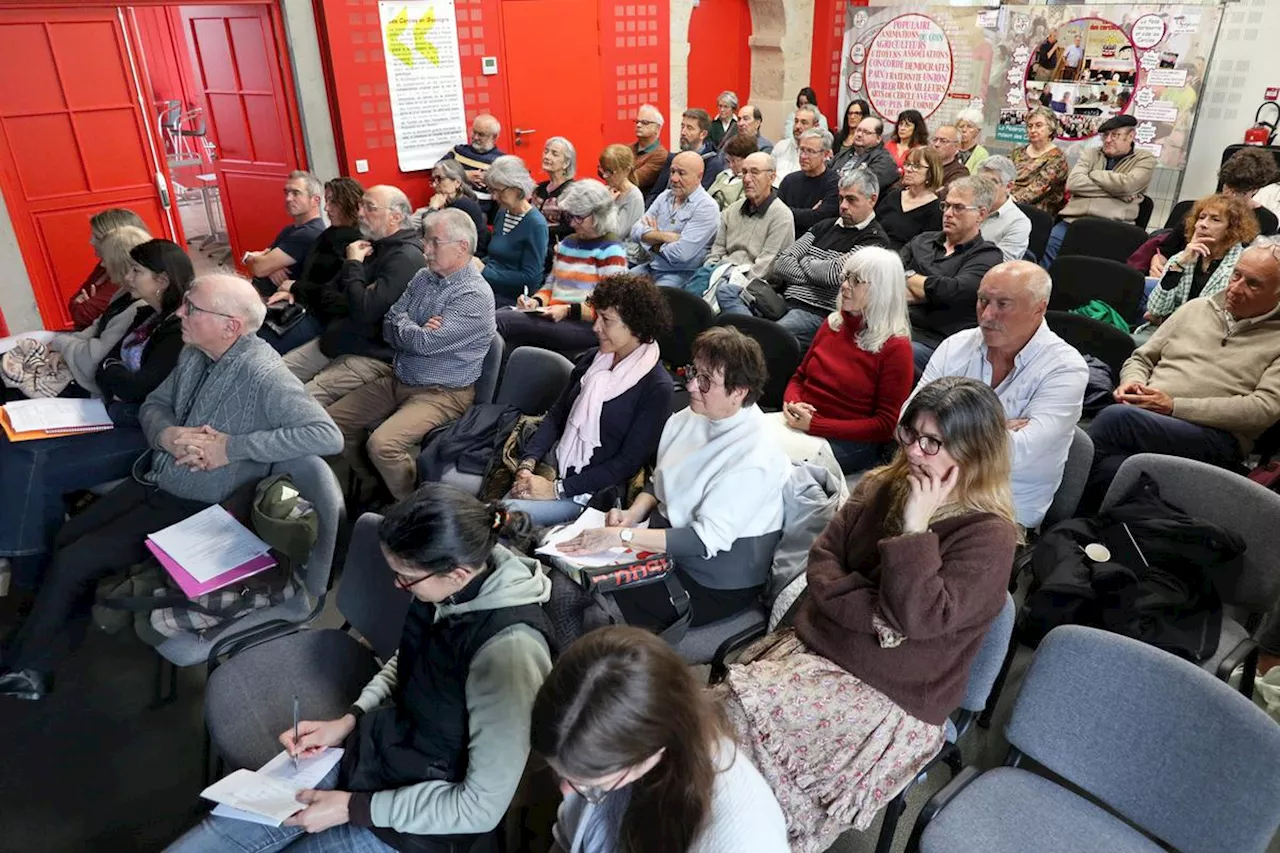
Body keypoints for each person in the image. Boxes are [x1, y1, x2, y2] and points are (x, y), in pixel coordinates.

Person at [0, 273, 343, 701]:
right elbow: (155, 406)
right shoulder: (196, 353)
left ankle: (29, 668)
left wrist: (231, 448)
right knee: (69, 537)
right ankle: (49, 640)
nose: (180, 312)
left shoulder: (263, 373)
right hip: (161, 480)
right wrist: (166, 436)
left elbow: (327, 435)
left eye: (192, 308)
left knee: (75, 559)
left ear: (230, 326)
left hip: (200, 505)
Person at [164, 484, 554, 853]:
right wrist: (350, 718)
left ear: (457, 573)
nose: (398, 586)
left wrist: (351, 808)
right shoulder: (450, 589)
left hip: (419, 821)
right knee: (211, 839)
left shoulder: (510, 653)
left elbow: (478, 808)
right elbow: (413, 657)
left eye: (405, 578)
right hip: (378, 754)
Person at [717, 376, 1018, 852]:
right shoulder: (881, 484)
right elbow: (822, 562)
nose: (915, 451)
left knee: (736, 744)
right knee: (714, 731)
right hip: (820, 648)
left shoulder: (991, 537)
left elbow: (919, 619)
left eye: (932, 442)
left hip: (892, 694)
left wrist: (917, 528)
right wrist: (880, 615)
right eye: (910, 434)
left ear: (974, 452)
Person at [560, 327, 789, 629]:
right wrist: (633, 514)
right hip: (668, 542)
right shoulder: (691, 416)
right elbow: (662, 479)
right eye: (694, 372)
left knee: (582, 603)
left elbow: (703, 540)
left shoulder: (755, 456)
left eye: (706, 381)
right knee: (566, 579)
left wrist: (622, 536)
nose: (692, 385)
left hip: (709, 578)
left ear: (739, 392)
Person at [0, 240, 194, 589]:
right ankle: (27, 558)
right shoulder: (143, 316)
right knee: (14, 444)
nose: (129, 277)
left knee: (33, 466)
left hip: (142, 429)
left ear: (163, 280)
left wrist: (111, 367)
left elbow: (137, 386)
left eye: (137, 271)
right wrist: (113, 369)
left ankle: (28, 569)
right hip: (108, 410)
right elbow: (106, 368)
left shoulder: (179, 328)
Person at [530, 627, 790, 853]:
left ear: (653, 752)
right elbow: (567, 840)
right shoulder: (619, 753)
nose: (565, 792)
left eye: (588, 785)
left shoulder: (744, 839)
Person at [1085, 239, 1280, 507]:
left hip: (1215, 436)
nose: (1235, 288)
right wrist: (1133, 383)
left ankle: (1047, 513)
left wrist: (1174, 406)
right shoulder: (1197, 308)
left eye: (1253, 283)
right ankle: (1075, 532)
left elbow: (1263, 409)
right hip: (1147, 415)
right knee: (1112, 469)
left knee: (1114, 420)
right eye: (1236, 274)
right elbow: (1142, 357)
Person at [326, 209, 495, 502]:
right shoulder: (423, 277)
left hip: (442, 393)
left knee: (382, 445)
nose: (426, 250)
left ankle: (413, 507)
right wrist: (412, 328)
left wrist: (409, 328)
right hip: (400, 378)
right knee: (331, 424)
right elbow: (389, 321)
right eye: (425, 241)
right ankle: (374, 484)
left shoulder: (474, 295)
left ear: (462, 247)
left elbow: (425, 343)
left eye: (434, 243)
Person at [915, 262, 1088, 530]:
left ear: (1038, 308)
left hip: (1002, 510)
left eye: (1003, 304)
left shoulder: (1065, 369)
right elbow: (908, 419)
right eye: (982, 301)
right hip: (930, 485)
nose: (986, 315)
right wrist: (992, 429)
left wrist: (941, 428)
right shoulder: (956, 346)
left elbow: (1018, 453)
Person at [504, 274, 673, 526]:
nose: (596, 327)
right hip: (552, 467)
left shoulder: (656, 387)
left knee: (501, 517)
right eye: (598, 317)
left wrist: (556, 490)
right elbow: (557, 415)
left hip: (590, 494)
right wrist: (527, 464)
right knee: (493, 517)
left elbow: (625, 464)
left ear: (636, 326)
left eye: (606, 320)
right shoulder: (594, 359)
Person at [281, 184, 426, 408]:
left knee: (299, 404)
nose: (359, 214)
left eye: (370, 207)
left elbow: (364, 312)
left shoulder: (405, 258)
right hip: (337, 339)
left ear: (395, 217)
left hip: (370, 353)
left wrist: (353, 266)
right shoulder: (368, 246)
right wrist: (354, 294)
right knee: (274, 375)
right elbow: (329, 294)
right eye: (360, 206)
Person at [779, 247, 913, 473]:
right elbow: (800, 377)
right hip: (804, 423)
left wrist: (816, 424)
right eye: (845, 277)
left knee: (778, 465)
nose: (844, 285)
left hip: (849, 442)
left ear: (881, 290)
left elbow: (884, 425)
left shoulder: (896, 348)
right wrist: (792, 402)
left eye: (856, 280)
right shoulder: (832, 324)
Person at [724, 170, 889, 352]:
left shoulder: (874, 241)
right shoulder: (824, 226)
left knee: (774, 331)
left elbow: (833, 276)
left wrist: (806, 260)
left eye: (851, 200)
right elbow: (782, 263)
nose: (843, 206)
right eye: (841, 198)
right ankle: (750, 338)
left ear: (872, 200)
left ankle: (747, 340)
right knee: (727, 292)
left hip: (816, 312)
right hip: (782, 301)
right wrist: (820, 268)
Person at [497, 179, 628, 355]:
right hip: (553, 316)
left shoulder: (611, 250)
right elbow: (551, 286)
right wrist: (535, 302)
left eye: (579, 217)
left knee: (500, 321)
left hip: (586, 326)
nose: (573, 223)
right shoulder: (568, 243)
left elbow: (611, 306)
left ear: (599, 215)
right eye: (569, 216)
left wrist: (567, 310)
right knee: (504, 319)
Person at [21, 225, 151, 400]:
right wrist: (63, 349)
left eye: (106, 259)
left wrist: (62, 346)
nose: (102, 264)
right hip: (80, 363)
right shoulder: (124, 292)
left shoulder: (137, 307)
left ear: (119, 262)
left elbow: (94, 355)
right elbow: (94, 325)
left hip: (92, 387)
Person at [902, 175, 1003, 371]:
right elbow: (889, 271)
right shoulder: (923, 240)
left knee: (895, 350)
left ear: (981, 215)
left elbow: (950, 291)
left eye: (958, 208)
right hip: (896, 324)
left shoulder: (987, 256)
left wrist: (906, 277)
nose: (948, 213)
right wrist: (928, 292)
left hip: (937, 343)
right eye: (946, 206)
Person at [260, 177, 366, 355]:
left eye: (333, 202)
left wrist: (295, 286)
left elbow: (334, 294)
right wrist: (290, 288)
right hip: (300, 304)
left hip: (322, 318)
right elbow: (311, 273)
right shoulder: (329, 234)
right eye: (327, 201)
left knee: (264, 348)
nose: (326, 208)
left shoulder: (356, 244)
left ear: (349, 203)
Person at [1041, 115, 1156, 267]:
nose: (1108, 140)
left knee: (1101, 269)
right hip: (1073, 221)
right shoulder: (1091, 153)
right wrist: (1118, 192)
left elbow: (1128, 186)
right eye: (1105, 135)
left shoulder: (1145, 159)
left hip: (1114, 226)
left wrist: (1094, 174)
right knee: (1048, 248)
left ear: (1131, 136)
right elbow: (1074, 183)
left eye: (1115, 135)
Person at [1142, 194, 1259, 330]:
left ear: (1232, 228)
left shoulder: (1243, 266)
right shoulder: (1180, 258)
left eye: (1215, 220)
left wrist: (1167, 319)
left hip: (1210, 340)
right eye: (1201, 218)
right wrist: (1179, 265)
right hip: (1167, 332)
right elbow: (1156, 309)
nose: (1203, 224)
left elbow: (1223, 320)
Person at [629, 151, 719, 289]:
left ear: (699, 177)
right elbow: (635, 231)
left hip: (680, 274)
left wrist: (649, 240)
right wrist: (664, 236)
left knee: (654, 301)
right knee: (613, 286)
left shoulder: (706, 207)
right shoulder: (665, 197)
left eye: (681, 173)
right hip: (651, 267)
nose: (674, 178)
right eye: (672, 172)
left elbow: (681, 254)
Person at [700, 152, 794, 282]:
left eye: (754, 172)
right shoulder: (732, 210)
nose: (747, 179)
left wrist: (729, 279)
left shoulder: (781, 216)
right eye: (744, 172)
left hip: (751, 286)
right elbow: (716, 253)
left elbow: (765, 269)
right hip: (718, 275)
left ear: (771, 177)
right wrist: (713, 274)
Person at [244, 170, 326, 299]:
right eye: (286, 192)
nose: (288, 198)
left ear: (315, 200)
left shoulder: (309, 233)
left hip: (276, 302)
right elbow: (261, 260)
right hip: (260, 294)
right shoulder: (290, 230)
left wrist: (265, 264)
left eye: (296, 193)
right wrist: (269, 267)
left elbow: (259, 267)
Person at [482, 155, 549, 308]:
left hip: (515, 299)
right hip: (492, 289)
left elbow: (531, 278)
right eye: (492, 191)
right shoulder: (503, 213)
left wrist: (485, 271)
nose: (494, 197)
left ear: (517, 189)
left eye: (499, 191)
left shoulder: (535, 224)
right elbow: (495, 256)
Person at [68, 208, 148, 330]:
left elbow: (84, 314)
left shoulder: (126, 273)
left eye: (96, 236)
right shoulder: (103, 266)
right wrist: (82, 305)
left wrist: (83, 305)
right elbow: (74, 302)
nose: (91, 241)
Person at [645, 109, 724, 204]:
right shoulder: (673, 158)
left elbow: (698, 200)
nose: (683, 132)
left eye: (689, 128)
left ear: (703, 134)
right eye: (682, 126)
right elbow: (655, 193)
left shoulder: (712, 163)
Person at [877, 146, 944, 250]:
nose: (908, 169)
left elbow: (926, 249)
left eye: (916, 166)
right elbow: (875, 226)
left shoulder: (935, 210)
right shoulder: (893, 195)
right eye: (907, 164)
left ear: (930, 173)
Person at [778, 128, 839, 237]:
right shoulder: (789, 181)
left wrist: (789, 212)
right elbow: (776, 214)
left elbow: (819, 220)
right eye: (802, 149)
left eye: (810, 151)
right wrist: (809, 213)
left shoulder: (834, 183)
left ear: (825, 155)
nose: (803, 156)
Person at [423, 159, 490, 257]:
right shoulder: (447, 202)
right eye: (433, 180)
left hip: (471, 256)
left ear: (457, 183)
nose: (434, 185)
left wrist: (433, 208)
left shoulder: (462, 205)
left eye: (440, 179)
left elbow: (429, 231)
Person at [440, 113, 506, 210]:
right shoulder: (458, 151)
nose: (475, 137)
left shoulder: (501, 160)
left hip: (482, 210)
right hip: (452, 207)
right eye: (474, 132)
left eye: (481, 134)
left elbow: (510, 188)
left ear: (494, 137)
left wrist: (491, 179)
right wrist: (464, 175)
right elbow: (438, 169)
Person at [1009, 107, 1068, 215]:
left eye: (1039, 125)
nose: (1033, 130)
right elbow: (1002, 175)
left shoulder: (1057, 158)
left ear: (1051, 129)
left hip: (1036, 211)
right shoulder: (1017, 152)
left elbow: (1039, 188)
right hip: (1008, 204)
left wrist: (1007, 202)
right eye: (1030, 126)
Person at [534, 136, 578, 271]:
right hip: (535, 243)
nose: (547, 156)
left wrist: (539, 230)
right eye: (546, 151)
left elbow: (573, 228)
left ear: (566, 164)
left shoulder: (572, 192)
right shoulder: (539, 189)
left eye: (554, 154)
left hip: (555, 248)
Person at [978, 156, 1033, 262]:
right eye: (981, 181)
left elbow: (1000, 263)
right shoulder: (966, 207)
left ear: (1009, 186)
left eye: (993, 182)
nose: (985, 187)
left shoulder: (1018, 222)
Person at [831, 116, 900, 196]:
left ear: (878, 138)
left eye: (866, 132)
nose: (859, 134)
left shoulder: (885, 160)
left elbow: (864, 187)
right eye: (858, 130)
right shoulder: (845, 153)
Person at [597, 143, 645, 243]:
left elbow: (616, 234)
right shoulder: (608, 189)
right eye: (603, 170)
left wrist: (609, 205)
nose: (605, 176)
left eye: (609, 172)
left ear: (626, 170)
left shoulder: (634, 197)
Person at [707, 131, 758, 210]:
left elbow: (738, 210)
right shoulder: (722, 175)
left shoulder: (748, 182)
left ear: (747, 159)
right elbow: (707, 197)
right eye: (728, 161)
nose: (730, 165)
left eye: (734, 161)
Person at [770, 104, 820, 184]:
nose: (797, 126)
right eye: (796, 121)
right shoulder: (781, 145)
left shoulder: (817, 153)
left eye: (804, 123)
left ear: (815, 126)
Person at [630, 104, 670, 194]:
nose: (638, 125)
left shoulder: (660, 155)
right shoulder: (627, 149)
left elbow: (635, 179)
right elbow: (602, 168)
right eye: (637, 121)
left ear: (657, 128)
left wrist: (614, 172)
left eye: (645, 122)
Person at [831, 99, 871, 165]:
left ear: (864, 116)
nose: (852, 117)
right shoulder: (838, 137)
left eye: (857, 113)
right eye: (850, 113)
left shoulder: (867, 140)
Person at [931, 124, 969, 188]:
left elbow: (943, 195)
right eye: (935, 140)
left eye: (943, 141)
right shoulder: (925, 166)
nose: (936, 144)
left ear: (957, 146)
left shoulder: (960, 173)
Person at [955, 108, 990, 174]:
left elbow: (976, 180)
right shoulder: (951, 148)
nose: (964, 130)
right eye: (961, 126)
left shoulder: (981, 154)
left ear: (977, 131)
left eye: (969, 126)